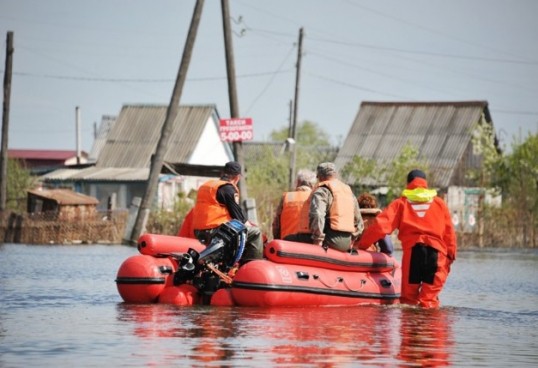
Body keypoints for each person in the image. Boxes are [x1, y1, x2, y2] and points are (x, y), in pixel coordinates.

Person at [357, 169, 457, 308]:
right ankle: (430, 329)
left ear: (408, 183)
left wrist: (361, 245)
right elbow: (449, 233)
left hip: (413, 254)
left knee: (408, 301)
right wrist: (450, 256)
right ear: (425, 184)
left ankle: (410, 328)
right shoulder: (440, 204)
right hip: (437, 253)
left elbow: (380, 226)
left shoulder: (401, 203)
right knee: (429, 301)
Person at [191, 161, 263, 264]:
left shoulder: (208, 186)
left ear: (222, 173)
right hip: (215, 231)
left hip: (198, 231)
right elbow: (238, 216)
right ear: (237, 177)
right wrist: (249, 224)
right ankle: (252, 266)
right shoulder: (228, 188)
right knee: (255, 232)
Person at [294, 162, 364, 252]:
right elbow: (359, 222)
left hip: (329, 241)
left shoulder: (322, 191)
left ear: (320, 177)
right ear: (335, 175)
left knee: (288, 239)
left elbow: (317, 215)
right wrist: (353, 238)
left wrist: (317, 240)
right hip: (346, 243)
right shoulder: (348, 192)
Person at [272, 169, 316, 240]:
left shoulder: (286, 197)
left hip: (286, 245)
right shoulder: (316, 198)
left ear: (298, 182)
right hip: (309, 245)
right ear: (313, 185)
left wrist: (277, 241)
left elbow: (276, 226)